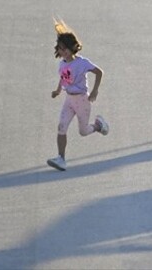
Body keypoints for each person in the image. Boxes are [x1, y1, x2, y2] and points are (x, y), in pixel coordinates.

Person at [47, 21, 109, 171]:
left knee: (83, 131)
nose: (63, 52)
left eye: (65, 49)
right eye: (61, 49)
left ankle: (99, 126)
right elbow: (63, 78)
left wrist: (95, 91)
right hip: (69, 99)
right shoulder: (62, 64)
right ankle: (61, 158)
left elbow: (99, 72)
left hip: (82, 99)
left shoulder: (82, 63)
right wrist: (57, 90)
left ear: (72, 47)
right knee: (61, 127)